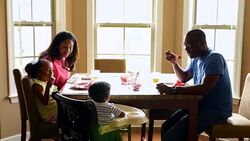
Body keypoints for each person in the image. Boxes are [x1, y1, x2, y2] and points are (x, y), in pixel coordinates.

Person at [156, 29, 232, 140]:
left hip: (216, 110)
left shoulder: (214, 58)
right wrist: (174, 63)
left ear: (201, 43)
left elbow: (204, 88)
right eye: (185, 45)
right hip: (199, 106)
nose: (186, 49)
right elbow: (184, 77)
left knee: (172, 136)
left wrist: (172, 90)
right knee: (165, 127)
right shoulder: (196, 59)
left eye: (189, 45)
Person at [25, 59, 58, 124]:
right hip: (50, 116)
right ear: (38, 73)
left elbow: (55, 94)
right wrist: (48, 86)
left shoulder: (45, 82)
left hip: (54, 110)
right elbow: (44, 102)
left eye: (52, 70)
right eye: (48, 70)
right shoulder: (38, 85)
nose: (51, 73)